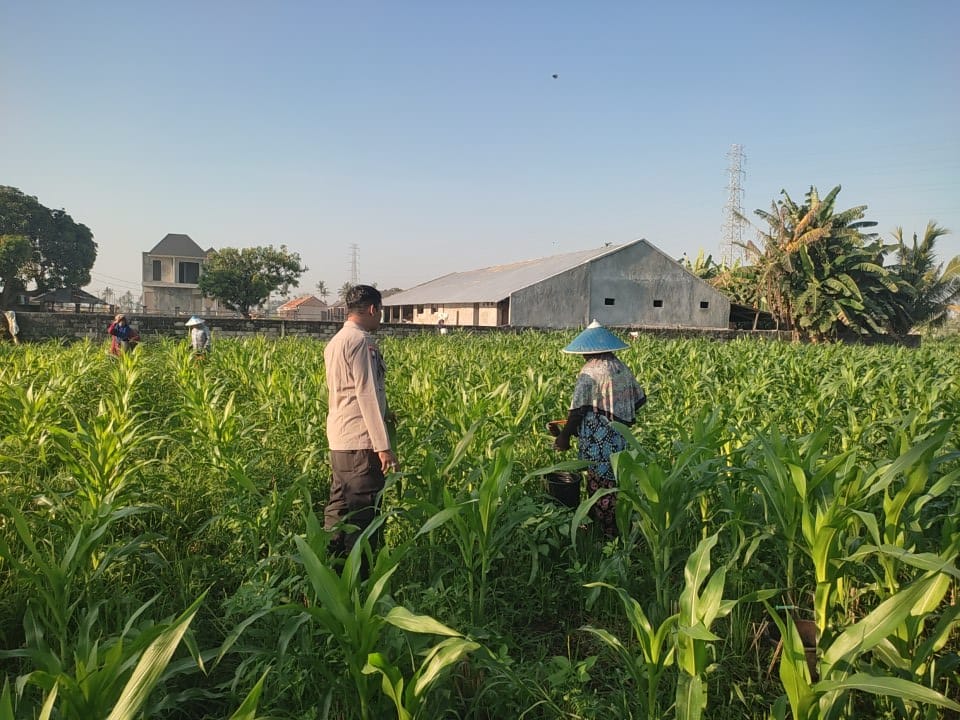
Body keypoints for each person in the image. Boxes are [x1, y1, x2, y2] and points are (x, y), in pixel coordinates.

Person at [323, 284, 399, 561]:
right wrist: (383, 446)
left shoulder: (336, 341)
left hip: (340, 442)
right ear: (372, 309)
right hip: (361, 444)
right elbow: (366, 393)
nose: (380, 318)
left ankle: (331, 570)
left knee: (339, 510)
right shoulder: (361, 342)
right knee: (364, 516)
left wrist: (387, 411)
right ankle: (361, 582)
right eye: (380, 312)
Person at [553, 321, 646, 537]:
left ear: (587, 351)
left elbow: (577, 410)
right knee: (615, 479)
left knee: (600, 482)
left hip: (599, 437)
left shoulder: (591, 371)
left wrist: (564, 437)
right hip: (620, 435)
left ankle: (607, 535)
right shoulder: (620, 366)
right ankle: (615, 527)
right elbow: (639, 399)